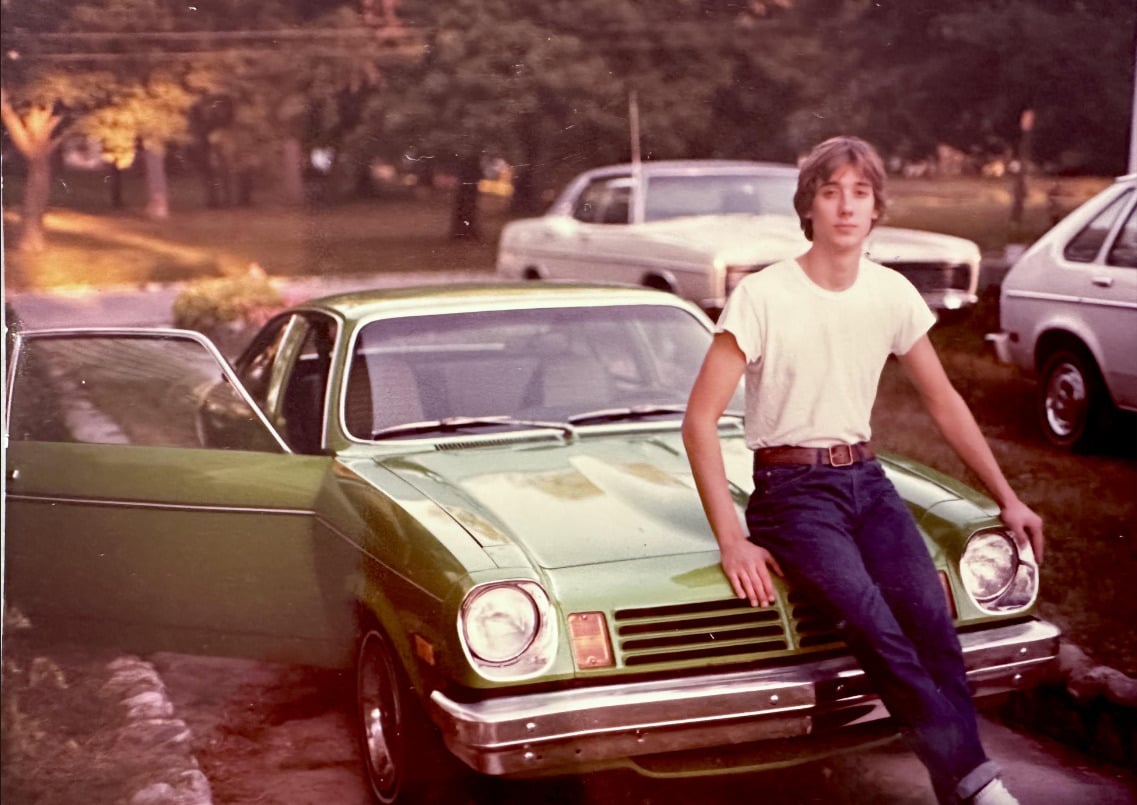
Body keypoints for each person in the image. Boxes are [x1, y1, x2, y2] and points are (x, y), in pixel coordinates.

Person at [681, 136, 1044, 805]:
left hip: (867, 483)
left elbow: (944, 400)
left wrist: (1009, 497)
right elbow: (699, 418)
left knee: (931, 622)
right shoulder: (763, 295)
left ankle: (963, 787)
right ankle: (979, 783)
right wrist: (731, 537)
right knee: (875, 625)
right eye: (829, 191)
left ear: (876, 208)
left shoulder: (890, 292)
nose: (845, 206)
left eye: (858, 191)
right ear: (808, 208)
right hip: (791, 495)